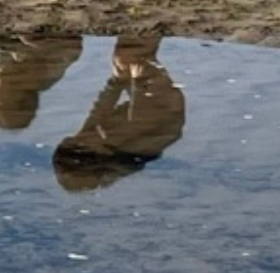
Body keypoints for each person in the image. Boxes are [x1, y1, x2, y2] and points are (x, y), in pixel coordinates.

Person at [51, 34, 185, 192]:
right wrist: (136, 81)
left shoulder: (90, 140)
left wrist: (115, 82)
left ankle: (139, 32)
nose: (79, 136)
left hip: (144, 107)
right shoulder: (126, 144)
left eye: (73, 139)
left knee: (122, 60)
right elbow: (139, 116)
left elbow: (99, 111)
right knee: (133, 58)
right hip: (165, 109)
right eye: (80, 143)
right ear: (101, 152)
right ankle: (147, 28)